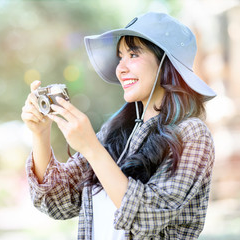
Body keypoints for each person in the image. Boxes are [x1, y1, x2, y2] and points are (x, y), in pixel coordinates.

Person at [21, 12, 216, 240]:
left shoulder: (192, 134)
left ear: (166, 62)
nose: (120, 69)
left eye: (133, 54)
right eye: (120, 57)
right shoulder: (114, 132)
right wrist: (41, 132)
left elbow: (146, 217)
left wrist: (92, 149)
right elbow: (56, 201)